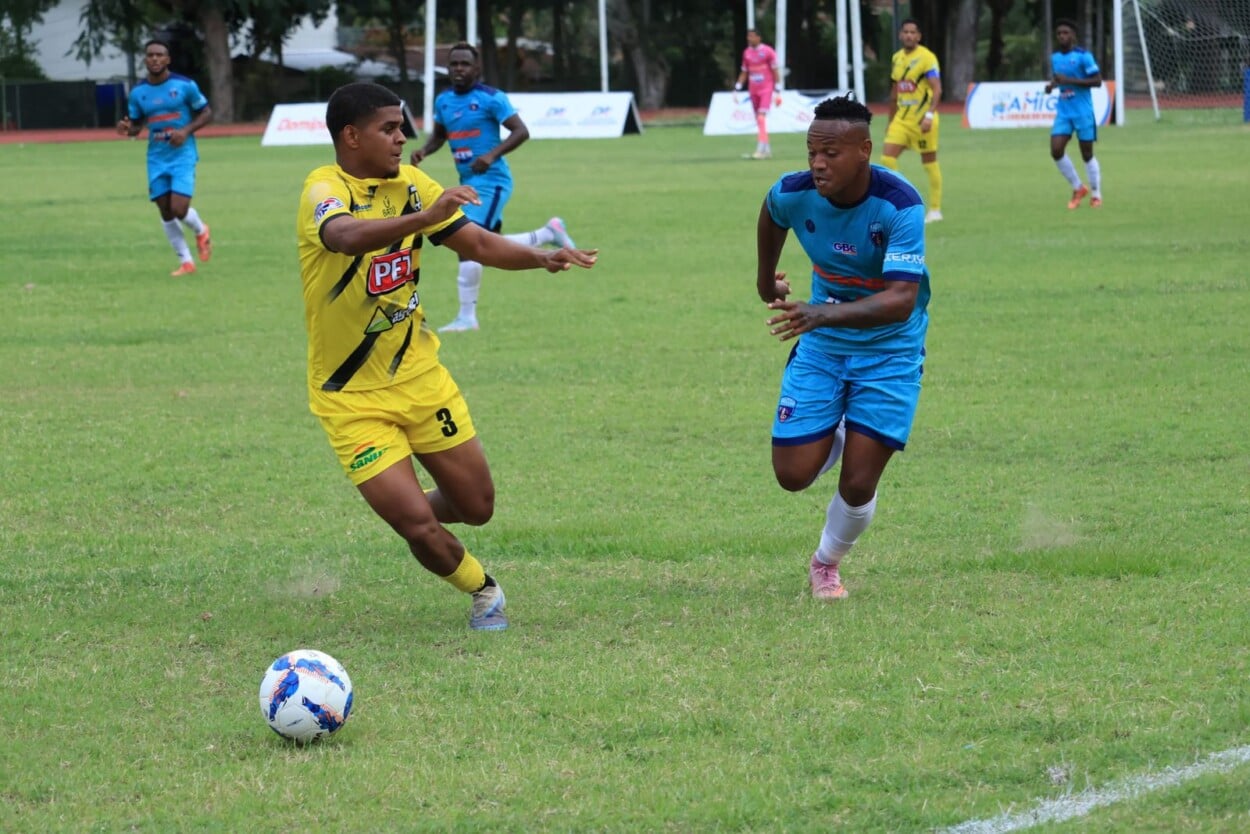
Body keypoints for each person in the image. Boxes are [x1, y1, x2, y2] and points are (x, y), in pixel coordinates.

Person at [297, 82, 598, 630]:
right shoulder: (324, 187)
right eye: (389, 128)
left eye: (401, 126)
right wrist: (422, 219)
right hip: (350, 398)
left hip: (421, 379)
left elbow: (477, 243)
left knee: (476, 505)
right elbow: (342, 236)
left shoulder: (411, 183)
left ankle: (406, 509)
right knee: (416, 525)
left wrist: (542, 257)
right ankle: (482, 589)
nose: (402, 138)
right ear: (351, 135)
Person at [755, 94, 931, 601]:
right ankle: (836, 425)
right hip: (824, 346)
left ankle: (825, 564)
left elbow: (900, 301)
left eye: (831, 153)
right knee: (791, 477)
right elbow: (771, 213)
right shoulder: (795, 191)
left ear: (864, 152)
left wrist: (820, 312)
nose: (817, 163)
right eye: (812, 151)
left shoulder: (899, 205)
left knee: (857, 484)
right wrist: (767, 282)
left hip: (891, 351)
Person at [409, 42, 577, 333]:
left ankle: (466, 317)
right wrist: (424, 150)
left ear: (477, 69)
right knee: (491, 244)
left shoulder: (491, 98)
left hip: (492, 181)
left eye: (464, 63)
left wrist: (491, 155)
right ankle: (549, 232)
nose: (458, 69)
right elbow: (440, 136)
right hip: (468, 182)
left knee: (467, 242)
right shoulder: (444, 101)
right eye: (454, 64)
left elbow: (521, 131)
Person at [116, 38, 213, 276]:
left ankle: (201, 230)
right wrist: (127, 129)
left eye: (160, 55)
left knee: (179, 208)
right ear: (145, 59)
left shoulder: (184, 85)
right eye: (150, 55)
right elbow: (137, 125)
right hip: (156, 156)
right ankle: (186, 262)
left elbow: (206, 112)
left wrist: (185, 131)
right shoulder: (138, 92)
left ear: (167, 59)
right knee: (165, 211)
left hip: (182, 154)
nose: (155, 59)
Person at [881, 19, 944, 224]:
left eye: (913, 32)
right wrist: (890, 120)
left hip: (922, 120)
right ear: (900, 35)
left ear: (918, 36)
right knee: (887, 159)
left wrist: (929, 115)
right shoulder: (896, 58)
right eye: (905, 32)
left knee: (929, 162)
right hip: (901, 119)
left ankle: (935, 209)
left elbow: (936, 89)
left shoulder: (926, 58)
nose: (909, 35)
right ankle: (900, 201)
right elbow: (895, 90)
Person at [1046, 19, 1104, 209]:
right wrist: (1052, 85)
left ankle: (1096, 194)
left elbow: (1097, 81)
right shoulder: (1055, 58)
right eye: (1059, 33)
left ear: (1073, 35)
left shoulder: (1083, 56)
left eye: (1065, 33)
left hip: (1083, 112)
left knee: (1086, 154)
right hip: (1064, 112)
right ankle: (1078, 187)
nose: (1062, 36)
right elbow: (1059, 79)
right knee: (1056, 150)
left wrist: (1069, 80)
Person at [733, 29, 783, 160]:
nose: (749, 39)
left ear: (759, 38)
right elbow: (744, 72)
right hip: (753, 89)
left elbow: (775, 71)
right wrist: (737, 88)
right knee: (759, 120)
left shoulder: (768, 51)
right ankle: (767, 149)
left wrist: (777, 90)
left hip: (766, 88)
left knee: (761, 118)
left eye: (752, 37)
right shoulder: (747, 53)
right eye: (748, 37)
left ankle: (761, 149)